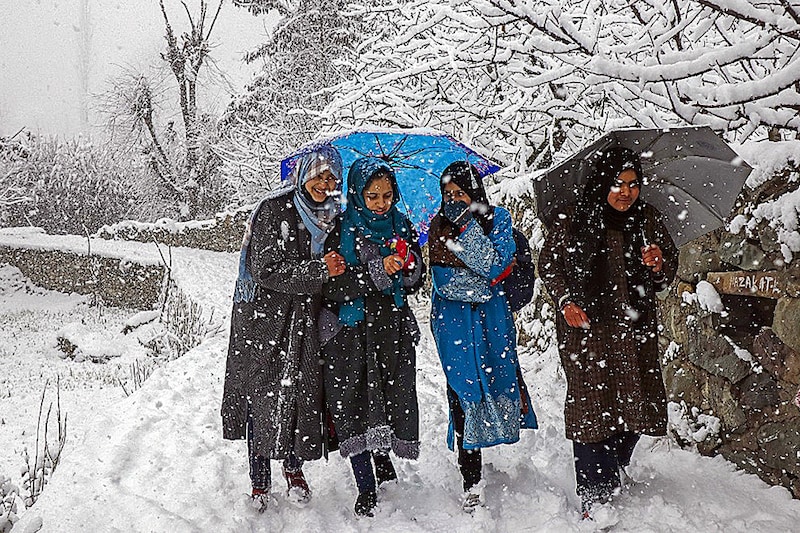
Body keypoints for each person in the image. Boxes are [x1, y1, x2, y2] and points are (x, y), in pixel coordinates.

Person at [538, 146, 678, 519]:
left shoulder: (647, 219)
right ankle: (595, 493)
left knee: (637, 400)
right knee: (590, 405)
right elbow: (549, 266)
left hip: (634, 329)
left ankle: (614, 461)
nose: (626, 192)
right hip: (587, 329)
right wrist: (566, 299)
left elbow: (668, 269)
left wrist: (659, 263)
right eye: (617, 184)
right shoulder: (573, 221)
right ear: (601, 183)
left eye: (633, 185)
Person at [221, 145, 347, 513]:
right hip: (265, 321)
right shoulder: (274, 209)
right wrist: (319, 270)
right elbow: (266, 270)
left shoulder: (331, 216)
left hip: (305, 321)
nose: (324, 183)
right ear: (303, 173)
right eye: (318, 174)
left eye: (331, 176)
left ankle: (293, 468)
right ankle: (260, 481)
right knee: (263, 396)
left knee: (298, 394)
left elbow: (335, 269)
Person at [428, 161, 537, 513]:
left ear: (475, 193)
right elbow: (447, 283)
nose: (455, 201)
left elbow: (496, 265)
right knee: (463, 391)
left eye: (461, 193)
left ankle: (486, 445)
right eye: (448, 195)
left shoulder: (498, 220)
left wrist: (467, 230)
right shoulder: (437, 228)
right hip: (453, 325)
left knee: (496, 378)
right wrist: (485, 283)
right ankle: (470, 476)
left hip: (492, 324)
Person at [320, 157, 425, 517]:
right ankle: (365, 482)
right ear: (357, 194)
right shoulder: (340, 230)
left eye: (387, 195)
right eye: (373, 195)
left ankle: (384, 462)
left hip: (391, 326)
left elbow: (415, 280)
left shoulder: (402, 226)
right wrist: (377, 271)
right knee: (356, 400)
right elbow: (332, 287)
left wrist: (409, 267)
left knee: (390, 395)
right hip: (352, 330)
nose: (381, 203)